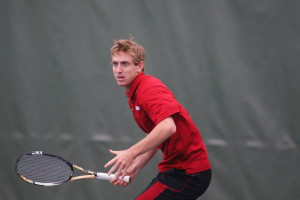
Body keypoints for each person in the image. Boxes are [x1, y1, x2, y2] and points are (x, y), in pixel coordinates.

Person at [105, 36, 211, 200]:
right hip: (173, 170)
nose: (118, 70)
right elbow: (157, 134)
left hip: (189, 173)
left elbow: (168, 127)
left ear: (140, 66)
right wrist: (134, 168)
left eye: (125, 64)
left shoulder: (148, 88)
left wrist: (131, 153)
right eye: (115, 64)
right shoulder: (134, 94)